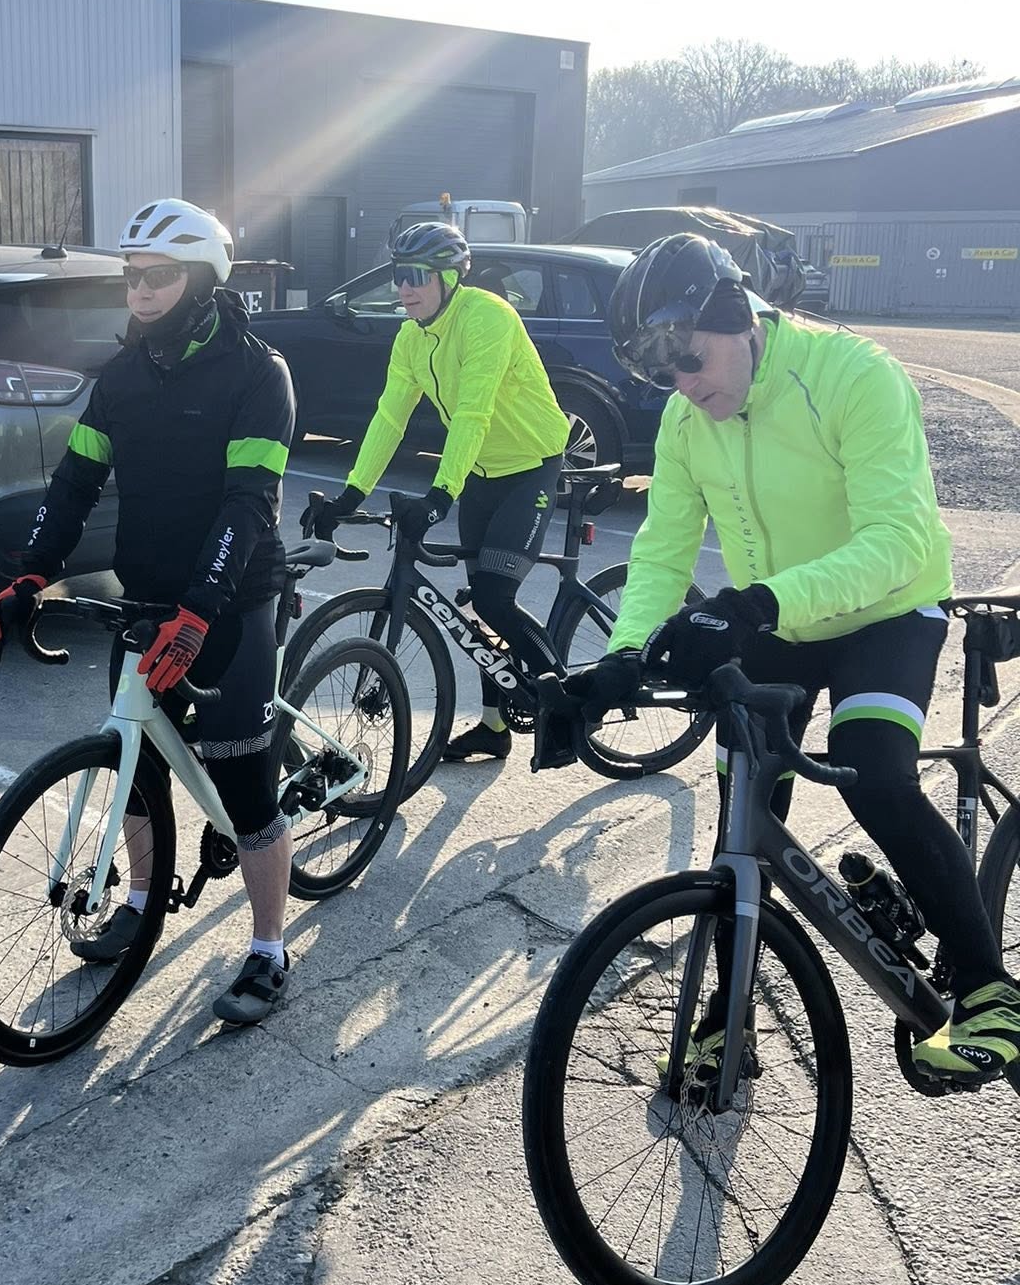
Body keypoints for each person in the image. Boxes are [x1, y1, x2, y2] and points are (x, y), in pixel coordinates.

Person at [571, 230, 1020, 1088]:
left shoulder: (852, 375)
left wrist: (759, 604)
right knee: (744, 808)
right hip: (778, 613)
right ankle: (728, 1014)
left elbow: (898, 539)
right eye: (660, 372)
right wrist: (622, 657)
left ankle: (988, 990)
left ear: (737, 315)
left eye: (688, 357)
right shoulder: (687, 420)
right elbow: (663, 548)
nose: (682, 383)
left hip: (887, 608)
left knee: (873, 772)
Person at [0, 198, 297, 1025]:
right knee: (134, 763)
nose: (141, 290)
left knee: (246, 790)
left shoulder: (257, 372)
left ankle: (270, 949)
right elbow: (73, 484)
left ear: (202, 279)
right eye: (131, 276)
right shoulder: (121, 378)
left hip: (229, 601)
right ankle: (141, 902)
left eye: (159, 276)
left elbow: (248, 503)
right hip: (149, 597)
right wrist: (31, 574)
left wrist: (200, 610)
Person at [307, 221, 569, 760]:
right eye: (398, 274)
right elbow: (389, 418)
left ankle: (567, 707)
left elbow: (474, 411)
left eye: (417, 276)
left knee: (494, 597)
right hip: (481, 473)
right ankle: (494, 727)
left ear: (450, 278)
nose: (404, 287)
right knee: (482, 607)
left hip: (531, 466)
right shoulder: (411, 337)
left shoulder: (488, 317)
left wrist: (440, 496)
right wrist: (350, 496)